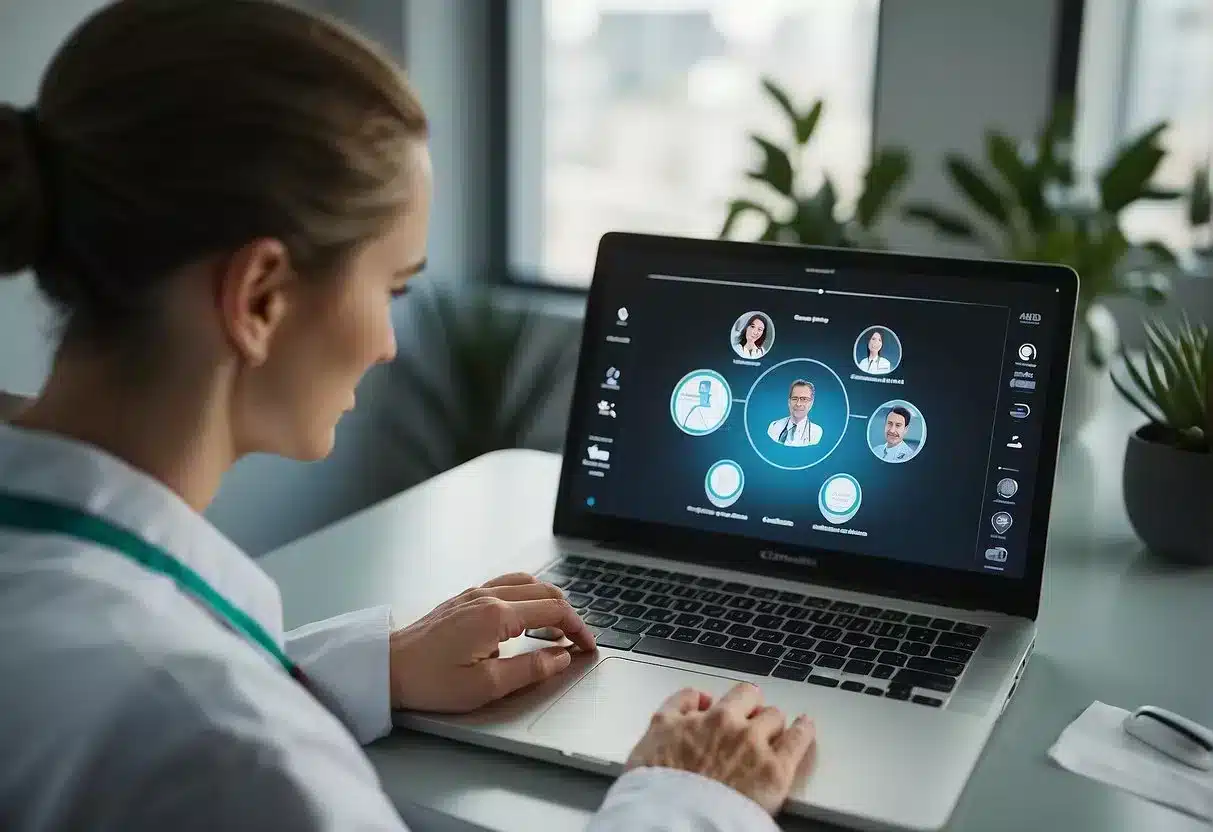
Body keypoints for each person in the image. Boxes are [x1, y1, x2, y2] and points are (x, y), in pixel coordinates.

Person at [0, 2, 816, 831]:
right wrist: (692, 798)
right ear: (260, 298)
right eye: (391, 287)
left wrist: (363, 670)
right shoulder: (233, 749)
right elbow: (194, 722)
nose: (388, 344)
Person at [766, 380, 823, 447]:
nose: (798, 404)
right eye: (794, 398)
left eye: (804, 399)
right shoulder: (774, 427)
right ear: (789, 401)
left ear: (811, 402)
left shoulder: (816, 432)